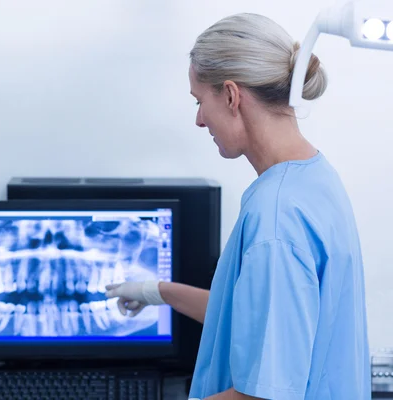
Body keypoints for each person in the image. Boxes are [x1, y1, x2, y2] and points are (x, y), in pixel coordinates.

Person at [106, 13, 370, 400]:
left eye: (200, 101)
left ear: (231, 95)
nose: (199, 120)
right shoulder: (313, 179)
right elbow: (258, 317)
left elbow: (264, 396)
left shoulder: (277, 216)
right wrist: (155, 290)